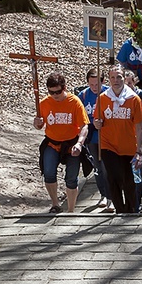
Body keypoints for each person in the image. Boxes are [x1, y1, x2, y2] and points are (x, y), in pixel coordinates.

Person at [33, 72, 89, 213]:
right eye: (51, 92)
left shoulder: (74, 102)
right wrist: (37, 123)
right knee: (49, 172)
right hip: (52, 142)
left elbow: (84, 126)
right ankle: (55, 205)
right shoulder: (44, 103)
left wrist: (79, 143)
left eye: (58, 92)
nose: (55, 95)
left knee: (71, 177)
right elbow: (40, 125)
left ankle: (70, 209)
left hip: (71, 143)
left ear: (64, 88)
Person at [94, 66, 142, 214]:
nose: (116, 81)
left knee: (128, 179)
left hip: (128, 145)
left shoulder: (134, 99)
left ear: (124, 78)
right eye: (113, 78)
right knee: (113, 176)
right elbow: (97, 120)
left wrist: (139, 149)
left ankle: (131, 208)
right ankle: (119, 208)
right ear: (108, 80)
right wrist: (96, 123)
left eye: (119, 77)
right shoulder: (103, 98)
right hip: (108, 144)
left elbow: (139, 126)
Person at [78, 68, 111, 209]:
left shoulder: (109, 93)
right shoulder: (83, 95)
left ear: (102, 81)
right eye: (91, 85)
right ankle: (103, 194)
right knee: (98, 167)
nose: (94, 88)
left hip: (108, 135)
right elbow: (80, 116)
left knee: (108, 166)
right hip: (92, 137)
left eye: (97, 84)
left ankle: (112, 196)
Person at [124, 70, 142, 212]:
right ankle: (128, 201)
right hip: (126, 141)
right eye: (125, 83)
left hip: (141, 142)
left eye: (130, 82)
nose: (128, 86)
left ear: (135, 81)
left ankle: (137, 202)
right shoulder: (120, 97)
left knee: (138, 172)